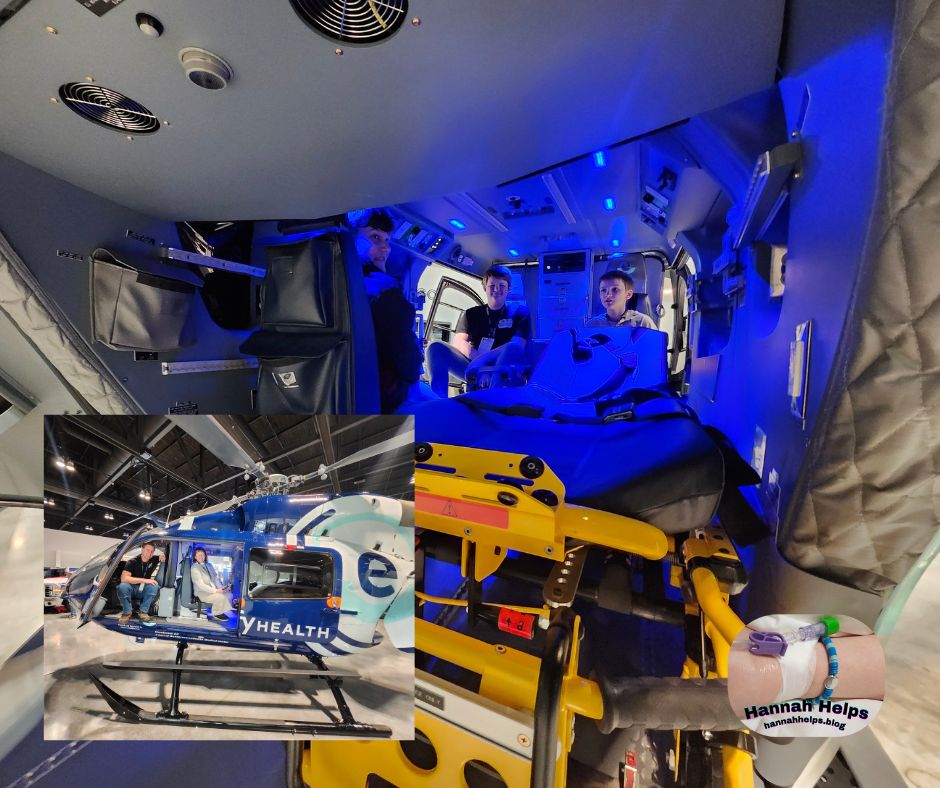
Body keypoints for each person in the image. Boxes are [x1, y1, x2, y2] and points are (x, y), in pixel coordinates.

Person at [353, 210, 423, 413]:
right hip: (388, 396)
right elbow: (408, 362)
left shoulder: (352, 285)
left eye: (387, 240)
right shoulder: (385, 292)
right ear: (352, 240)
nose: (385, 247)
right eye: (375, 237)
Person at [425, 264, 531, 397]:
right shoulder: (471, 314)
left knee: (512, 348)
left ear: (508, 289)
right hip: (473, 367)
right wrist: (480, 366)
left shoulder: (520, 313)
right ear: (485, 288)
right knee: (435, 347)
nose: (496, 289)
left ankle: (493, 398)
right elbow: (459, 342)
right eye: (492, 286)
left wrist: (484, 362)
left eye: (502, 286)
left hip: (502, 367)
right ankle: (439, 401)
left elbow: (517, 345)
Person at [584, 270, 657, 329]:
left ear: (628, 294)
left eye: (615, 289)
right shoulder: (592, 325)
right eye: (603, 290)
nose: (608, 295)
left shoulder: (643, 323)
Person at [117, 542, 163, 625]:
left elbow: (162, 557)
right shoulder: (132, 562)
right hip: (131, 588)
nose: (149, 553)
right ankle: (127, 613)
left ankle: (143, 612)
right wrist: (144, 580)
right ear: (142, 549)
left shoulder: (153, 559)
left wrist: (163, 557)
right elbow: (124, 578)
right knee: (122, 586)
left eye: (152, 551)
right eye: (147, 550)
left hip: (143, 589)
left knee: (154, 586)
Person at [191, 547, 233, 622]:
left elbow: (215, 578)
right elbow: (201, 585)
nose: (201, 557)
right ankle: (217, 613)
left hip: (212, 590)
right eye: (199, 555)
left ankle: (221, 610)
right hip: (202, 593)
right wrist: (216, 591)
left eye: (203, 555)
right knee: (220, 597)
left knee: (229, 595)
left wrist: (221, 588)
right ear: (195, 557)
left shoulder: (209, 565)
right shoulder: (195, 567)